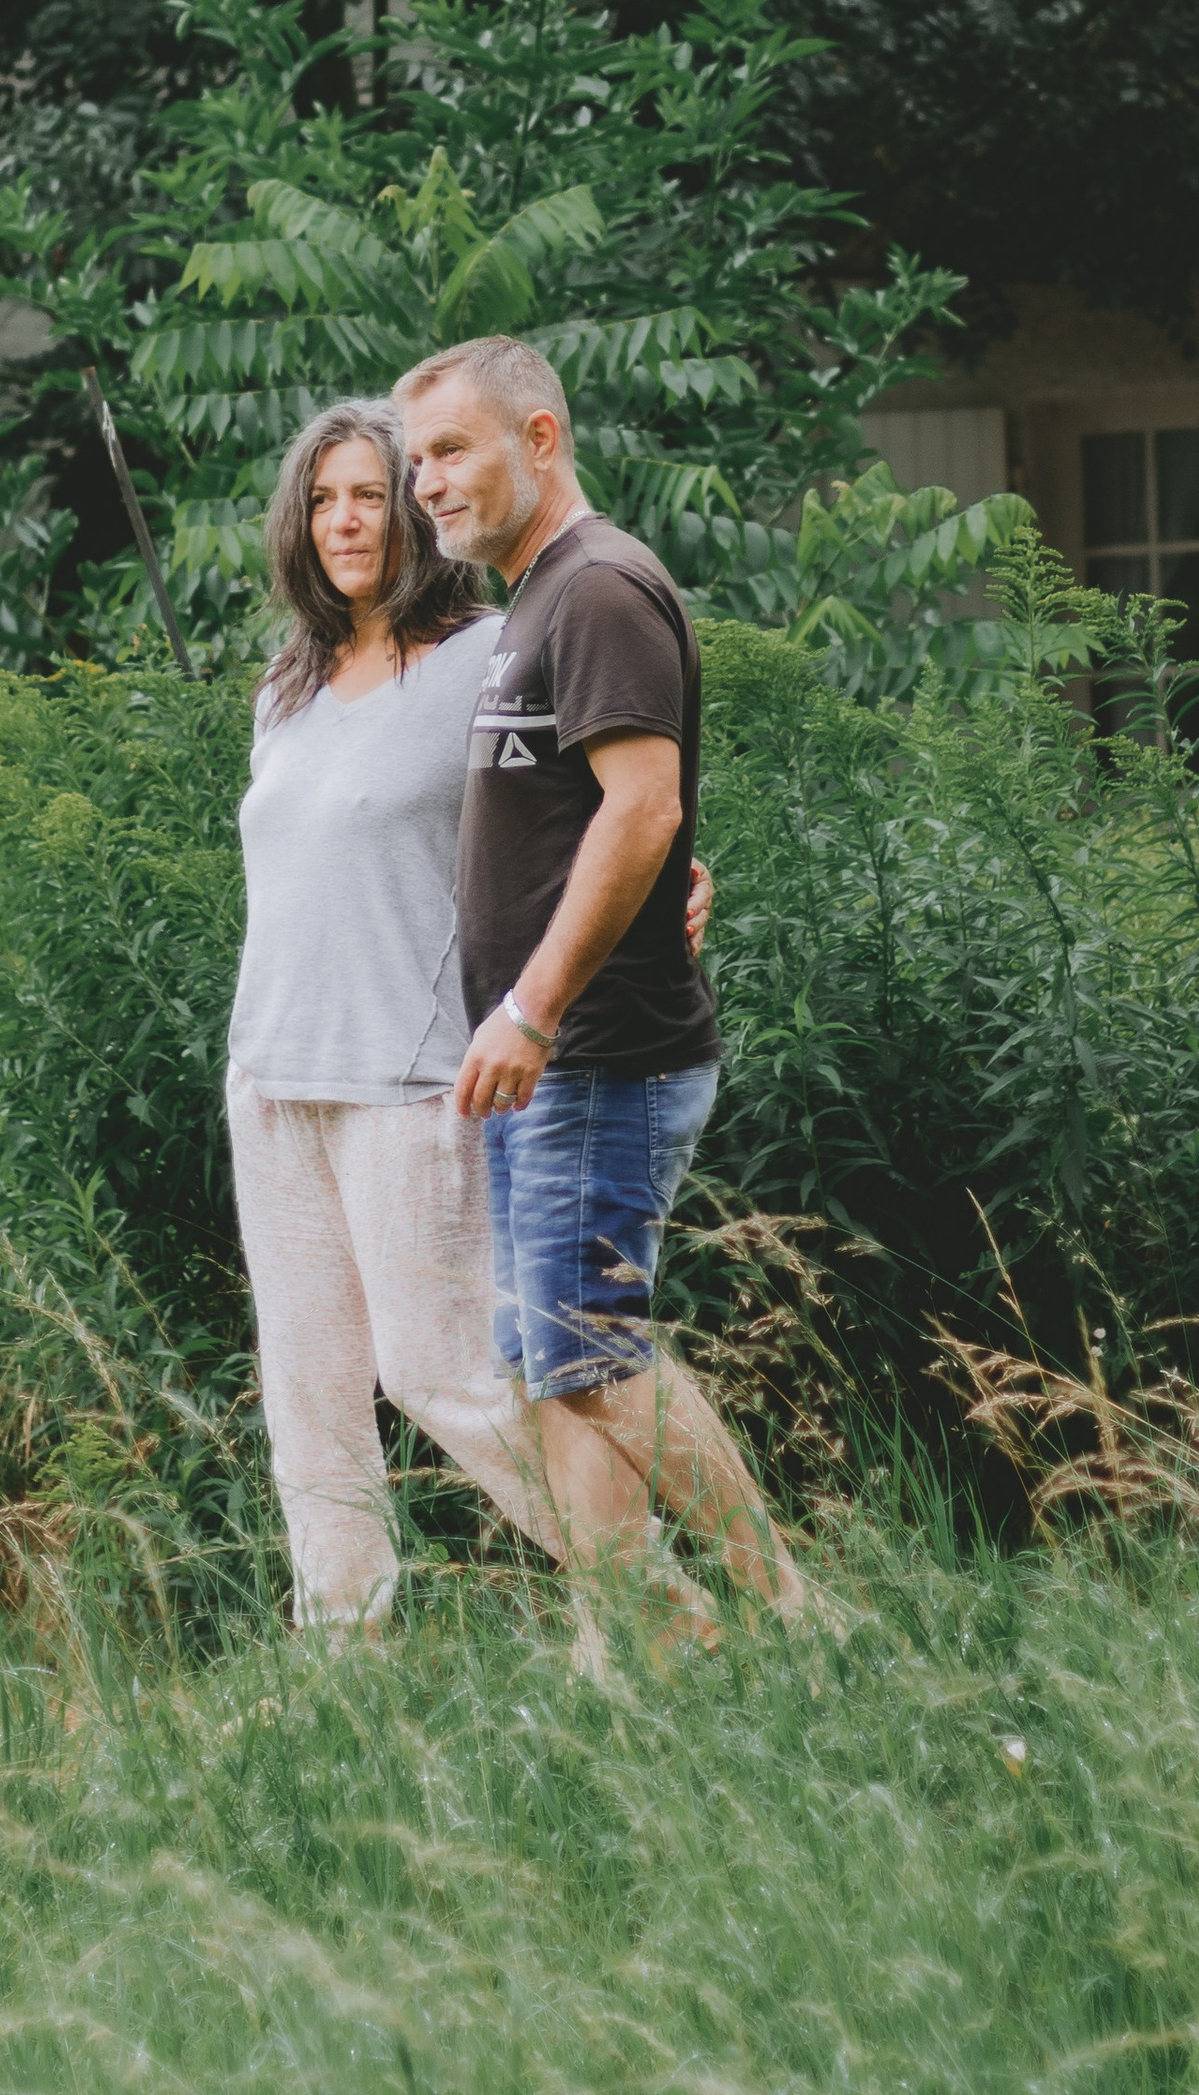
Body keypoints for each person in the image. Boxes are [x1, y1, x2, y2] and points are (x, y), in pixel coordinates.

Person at [396, 335, 807, 1622]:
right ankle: (638, 1648)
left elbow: (641, 811)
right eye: (416, 464)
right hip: (553, 1061)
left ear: (540, 438)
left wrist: (532, 1006)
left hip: (598, 1051)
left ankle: (784, 1606)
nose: (428, 486)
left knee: (590, 1355)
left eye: (451, 452)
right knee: (559, 1369)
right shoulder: (537, 600)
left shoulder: (598, 591)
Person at [223, 397, 569, 1629]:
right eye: (322, 499)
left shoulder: (488, 655)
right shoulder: (288, 683)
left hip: (410, 1075)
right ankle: (344, 1661)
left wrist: (677, 871)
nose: (345, 519)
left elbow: (596, 793)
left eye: (368, 492)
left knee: (445, 1374)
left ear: (413, 510)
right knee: (308, 1395)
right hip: (271, 1078)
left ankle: (643, 1592)